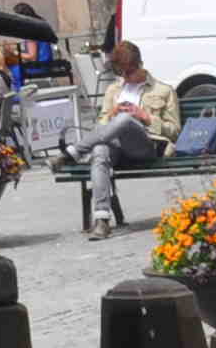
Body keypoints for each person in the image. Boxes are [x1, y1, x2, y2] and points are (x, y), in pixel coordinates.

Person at [71, 40, 177, 240]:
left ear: (140, 64)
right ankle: (102, 220)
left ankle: (76, 150)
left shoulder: (163, 90)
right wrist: (112, 114)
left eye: (129, 73)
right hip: (117, 150)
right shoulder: (114, 90)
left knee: (126, 119)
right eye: (122, 74)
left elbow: (174, 131)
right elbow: (101, 126)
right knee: (100, 150)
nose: (126, 78)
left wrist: (145, 117)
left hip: (145, 146)